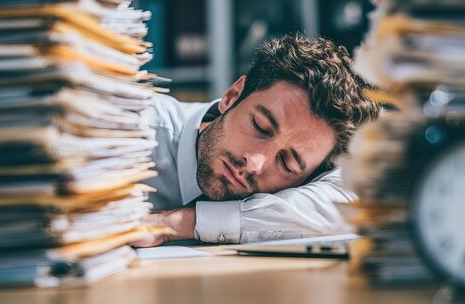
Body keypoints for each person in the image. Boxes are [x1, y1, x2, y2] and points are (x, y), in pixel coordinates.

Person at [132, 34, 379, 247]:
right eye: (260, 127)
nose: (254, 163)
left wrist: (172, 223)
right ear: (232, 95)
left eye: (287, 164)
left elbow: (361, 200)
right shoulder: (131, 129)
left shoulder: (314, 178)